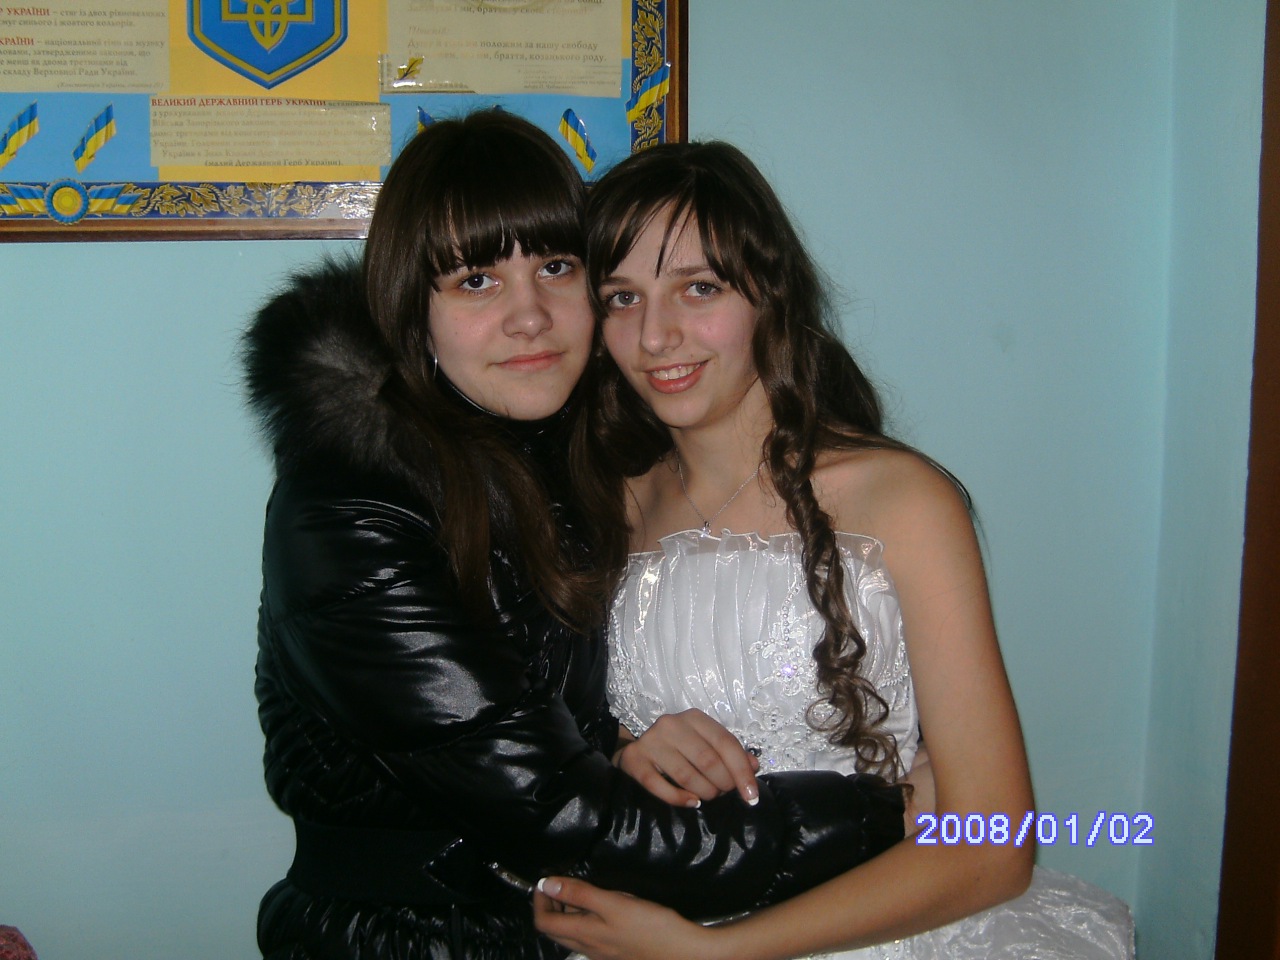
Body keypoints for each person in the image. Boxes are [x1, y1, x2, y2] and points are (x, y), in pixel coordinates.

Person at [241, 111, 918, 960]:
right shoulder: (352, 511)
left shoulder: (590, 469)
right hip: (413, 940)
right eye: (476, 281)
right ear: (413, 311)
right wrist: (886, 810)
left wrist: (623, 750)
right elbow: (556, 810)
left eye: (556, 268)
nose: (530, 317)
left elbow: (568, 717)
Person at [533, 140, 1136, 959]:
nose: (656, 335)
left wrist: (720, 954)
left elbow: (995, 844)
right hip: (664, 913)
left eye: (699, 288)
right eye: (622, 298)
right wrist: (622, 755)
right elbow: (541, 755)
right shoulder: (605, 510)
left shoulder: (902, 501)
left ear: (769, 294)